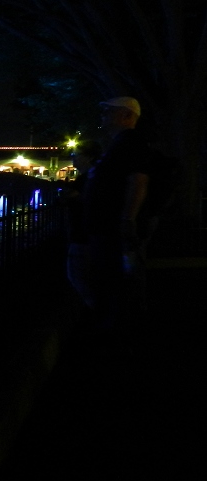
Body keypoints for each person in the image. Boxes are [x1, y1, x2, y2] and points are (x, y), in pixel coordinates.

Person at [83, 96, 153, 329]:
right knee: (114, 278)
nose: (103, 115)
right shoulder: (121, 143)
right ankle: (118, 324)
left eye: (109, 111)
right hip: (107, 226)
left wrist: (128, 218)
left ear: (127, 116)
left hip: (112, 227)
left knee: (114, 278)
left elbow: (138, 179)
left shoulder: (130, 142)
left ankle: (120, 329)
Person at [63, 140, 102, 308]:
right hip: (87, 234)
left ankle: (93, 310)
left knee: (78, 275)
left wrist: (70, 197)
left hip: (82, 235)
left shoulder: (88, 179)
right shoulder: (93, 176)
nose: (73, 159)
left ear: (88, 157)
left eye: (76, 155)